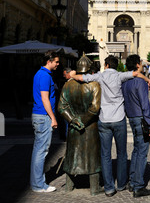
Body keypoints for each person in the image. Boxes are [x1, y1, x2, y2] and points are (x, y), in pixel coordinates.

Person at [69, 55, 150, 197]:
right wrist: (148, 80)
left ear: (106, 65)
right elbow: (136, 73)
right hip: (119, 118)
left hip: (104, 119)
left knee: (105, 154)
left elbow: (81, 78)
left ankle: (109, 188)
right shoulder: (120, 76)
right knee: (122, 153)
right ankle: (121, 184)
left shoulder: (99, 76)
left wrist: (72, 75)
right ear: (115, 65)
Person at [58, 54, 101, 195]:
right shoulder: (94, 85)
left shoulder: (68, 84)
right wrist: (82, 121)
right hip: (90, 126)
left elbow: (61, 107)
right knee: (91, 158)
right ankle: (94, 188)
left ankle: (69, 186)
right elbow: (94, 108)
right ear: (89, 69)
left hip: (73, 126)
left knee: (72, 156)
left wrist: (73, 120)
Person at [121, 54, 150, 197]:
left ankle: (132, 181)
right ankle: (138, 186)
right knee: (142, 152)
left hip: (131, 117)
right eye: (140, 63)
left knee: (136, 150)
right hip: (141, 119)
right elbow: (145, 104)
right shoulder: (140, 82)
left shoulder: (125, 82)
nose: (142, 65)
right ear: (137, 65)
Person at [30, 51, 59, 193]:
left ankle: (36, 182)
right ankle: (39, 185)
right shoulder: (45, 76)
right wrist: (53, 117)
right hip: (43, 116)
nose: (58, 64)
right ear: (49, 61)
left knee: (38, 150)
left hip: (39, 115)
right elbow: (45, 98)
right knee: (41, 151)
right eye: (56, 62)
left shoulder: (40, 74)